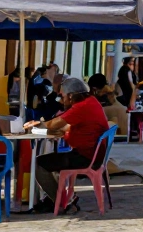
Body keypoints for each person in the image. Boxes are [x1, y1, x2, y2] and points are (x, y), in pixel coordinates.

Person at [24, 76, 110, 213]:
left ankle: (63, 201)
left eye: (62, 96)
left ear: (70, 96)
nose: (61, 100)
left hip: (86, 157)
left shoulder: (81, 107)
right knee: (51, 161)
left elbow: (55, 124)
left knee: (39, 164)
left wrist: (38, 124)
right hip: (94, 154)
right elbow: (67, 125)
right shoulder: (91, 101)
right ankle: (58, 198)